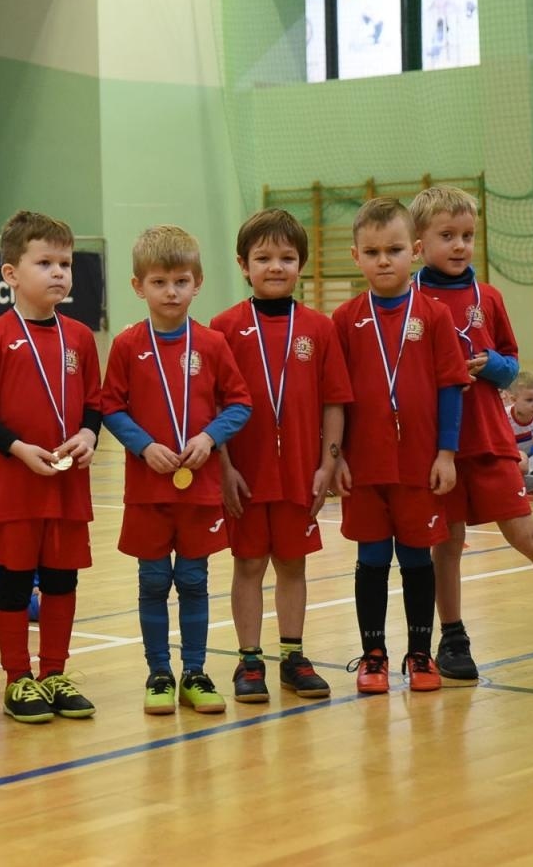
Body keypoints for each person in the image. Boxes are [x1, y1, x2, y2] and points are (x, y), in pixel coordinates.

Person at [409, 186, 533, 680]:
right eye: (447, 236)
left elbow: (512, 363)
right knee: (447, 542)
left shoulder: (489, 297)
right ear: (418, 244)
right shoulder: (408, 299)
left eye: (468, 236)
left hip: (488, 434)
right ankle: (453, 636)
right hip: (436, 445)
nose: (459, 245)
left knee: (522, 529)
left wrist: (490, 365)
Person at [102, 226, 251, 715]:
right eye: (160, 282)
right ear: (138, 286)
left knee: (192, 579)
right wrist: (144, 448)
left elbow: (240, 402)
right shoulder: (126, 346)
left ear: (198, 283)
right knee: (151, 582)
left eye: (181, 281)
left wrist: (209, 437)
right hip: (148, 489)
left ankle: (196, 672)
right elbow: (111, 408)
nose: (171, 292)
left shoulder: (211, 343)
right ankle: (158, 673)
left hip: (200, 489)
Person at [0, 210, 102, 724]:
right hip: (18, 486)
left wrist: (88, 434)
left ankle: (55, 673)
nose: (59, 273)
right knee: (16, 583)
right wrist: (19, 449)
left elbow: (95, 403)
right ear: (11, 273)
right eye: (45, 262)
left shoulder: (81, 338)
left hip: (68, 486)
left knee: (63, 580)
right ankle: (19, 679)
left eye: (65, 262)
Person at [212, 209, 351, 704]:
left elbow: (334, 401)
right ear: (243, 265)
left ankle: (293, 655)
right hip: (244, 474)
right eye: (263, 258)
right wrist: (223, 467)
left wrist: (328, 462)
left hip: (299, 472)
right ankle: (249, 659)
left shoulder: (320, 327)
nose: (275, 267)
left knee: (293, 564)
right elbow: (213, 408)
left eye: (287, 258)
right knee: (248, 565)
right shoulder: (223, 327)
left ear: (301, 265)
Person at [331, 198, 467, 694]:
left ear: (413, 251)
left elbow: (451, 387)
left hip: (418, 467)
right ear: (356, 256)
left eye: (393, 249)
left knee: (415, 559)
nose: (383, 260)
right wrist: (337, 456)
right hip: (365, 469)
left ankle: (420, 654)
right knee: (371, 559)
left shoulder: (433, 317)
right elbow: (334, 400)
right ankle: (373, 656)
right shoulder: (343, 320)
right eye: (372, 251)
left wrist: (446, 453)